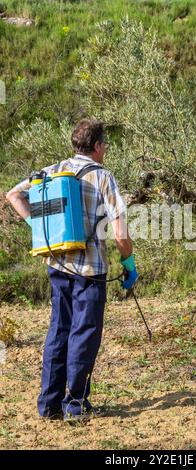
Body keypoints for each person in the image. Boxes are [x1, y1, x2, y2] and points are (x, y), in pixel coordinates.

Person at [6, 119, 138, 422]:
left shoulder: (52, 172)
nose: (105, 148)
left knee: (58, 331)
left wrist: (36, 224)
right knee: (85, 333)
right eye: (104, 143)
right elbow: (120, 234)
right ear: (96, 147)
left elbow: (13, 195)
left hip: (57, 264)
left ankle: (48, 406)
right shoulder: (103, 177)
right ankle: (75, 405)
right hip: (90, 269)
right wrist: (129, 265)